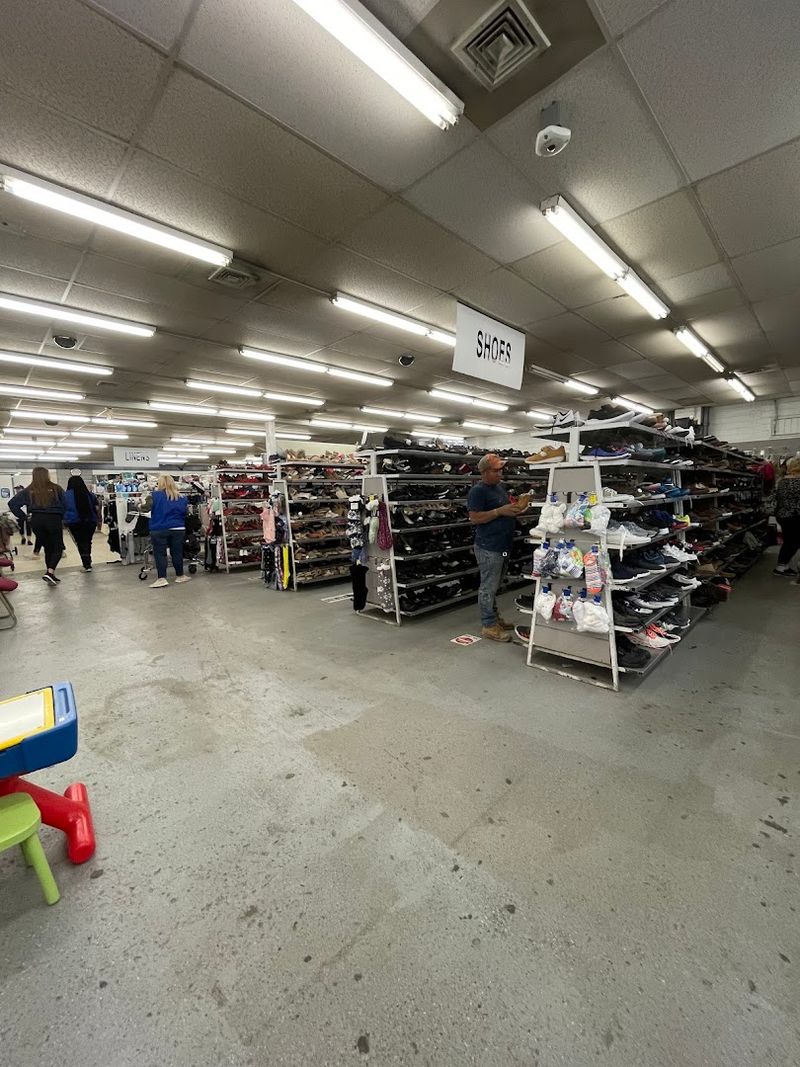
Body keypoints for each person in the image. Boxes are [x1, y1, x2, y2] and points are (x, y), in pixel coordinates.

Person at [467, 453, 527, 642]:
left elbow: (505, 511)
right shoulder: (478, 491)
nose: (500, 473)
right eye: (495, 470)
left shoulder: (499, 488)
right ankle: (488, 625)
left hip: (502, 544)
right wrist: (498, 511)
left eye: (501, 470)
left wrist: (517, 507)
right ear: (484, 472)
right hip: (488, 546)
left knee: (495, 586)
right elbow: (474, 518)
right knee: (488, 587)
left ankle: (494, 618)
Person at [9, 467, 66, 586]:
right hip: (53, 519)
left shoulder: (28, 490)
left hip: (36, 520)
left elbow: (12, 504)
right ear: (47, 475)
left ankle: (51, 574)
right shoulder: (56, 488)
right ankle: (50, 572)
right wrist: (62, 516)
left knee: (48, 548)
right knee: (58, 547)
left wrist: (24, 517)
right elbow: (66, 504)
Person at [144, 474, 190, 588]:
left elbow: (145, 508)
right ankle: (180, 575)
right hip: (178, 528)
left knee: (160, 554)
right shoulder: (182, 497)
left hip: (159, 528)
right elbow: (186, 513)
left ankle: (162, 578)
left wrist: (139, 503)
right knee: (177, 553)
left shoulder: (153, 496)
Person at [64, 474, 102, 571]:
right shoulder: (90, 494)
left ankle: (86, 564)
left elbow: (63, 509)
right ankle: (88, 562)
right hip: (90, 521)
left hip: (74, 522)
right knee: (87, 541)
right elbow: (97, 508)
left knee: (80, 542)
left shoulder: (65, 495)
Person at [773, 456, 800, 575]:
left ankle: (782, 567)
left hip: (783, 515)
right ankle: (781, 567)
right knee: (793, 542)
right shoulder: (798, 481)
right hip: (794, 516)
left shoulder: (782, 481)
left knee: (789, 542)